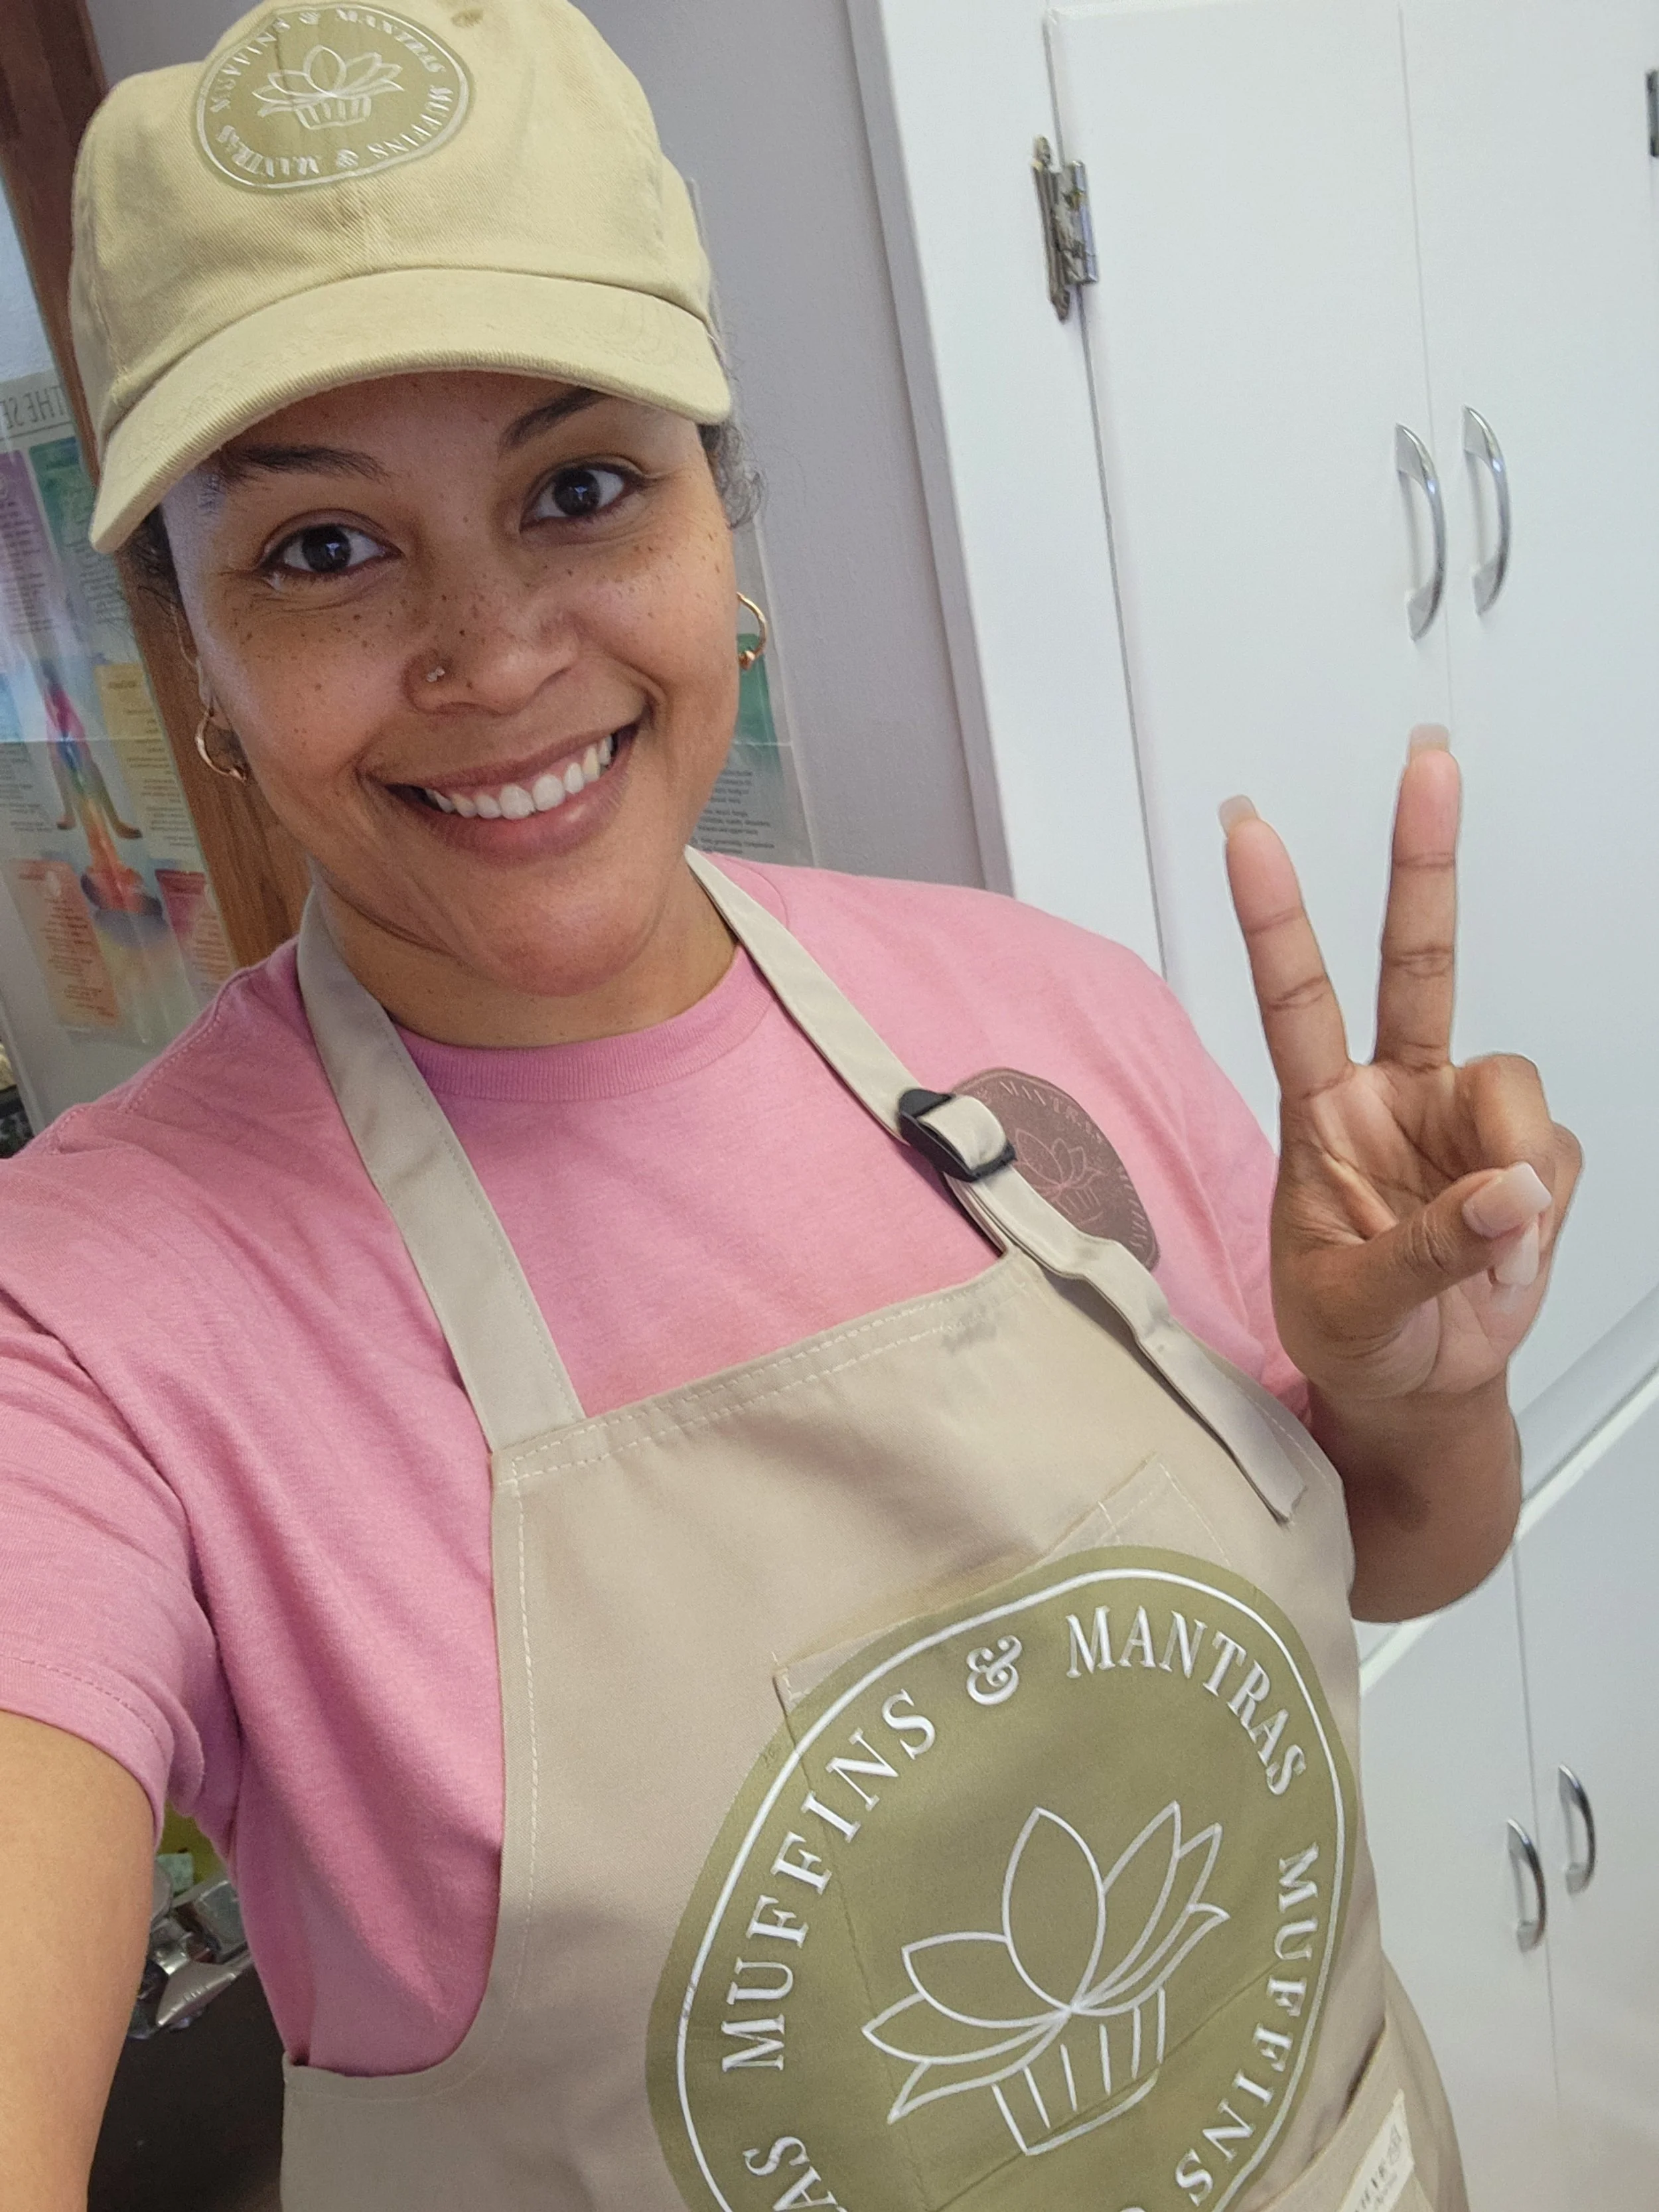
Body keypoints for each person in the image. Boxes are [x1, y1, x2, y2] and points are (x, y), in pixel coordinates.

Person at [0, 2, 1577, 2206]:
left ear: (723, 525)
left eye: (579, 487)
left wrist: (1416, 1405)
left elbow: (1404, 1553)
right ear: (199, 669)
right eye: (325, 551)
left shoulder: (1046, 1012)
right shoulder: (96, 1324)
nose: (492, 650)